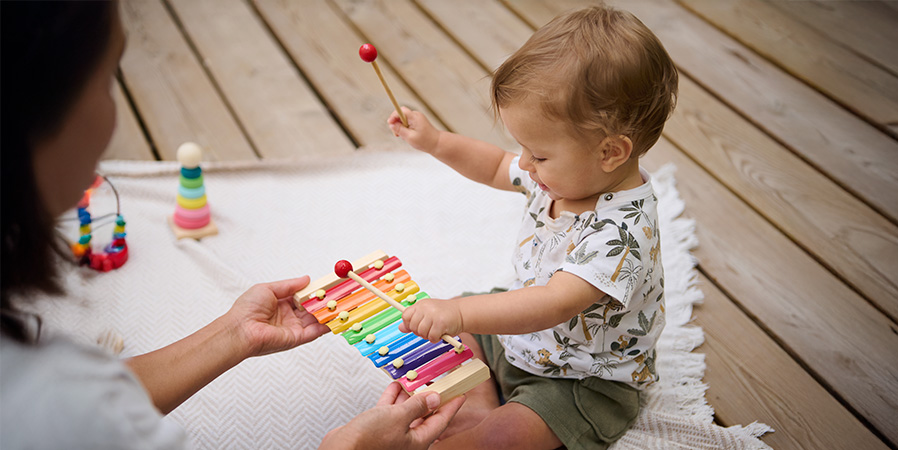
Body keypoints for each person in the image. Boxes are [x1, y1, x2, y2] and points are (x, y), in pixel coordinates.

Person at [0, 2, 463, 449]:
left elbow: (88, 404)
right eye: (107, 80)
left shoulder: (41, 388)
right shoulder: (42, 408)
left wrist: (235, 332)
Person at [387, 5, 678, 450]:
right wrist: (437, 142)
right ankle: (482, 402)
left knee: (505, 434)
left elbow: (553, 303)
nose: (524, 164)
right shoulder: (565, 174)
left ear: (611, 153)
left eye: (538, 154)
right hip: (527, 341)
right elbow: (493, 165)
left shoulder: (622, 233)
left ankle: (491, 422)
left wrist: (460, 313)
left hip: (581, 377)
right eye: (522, 148)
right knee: (457, 321)